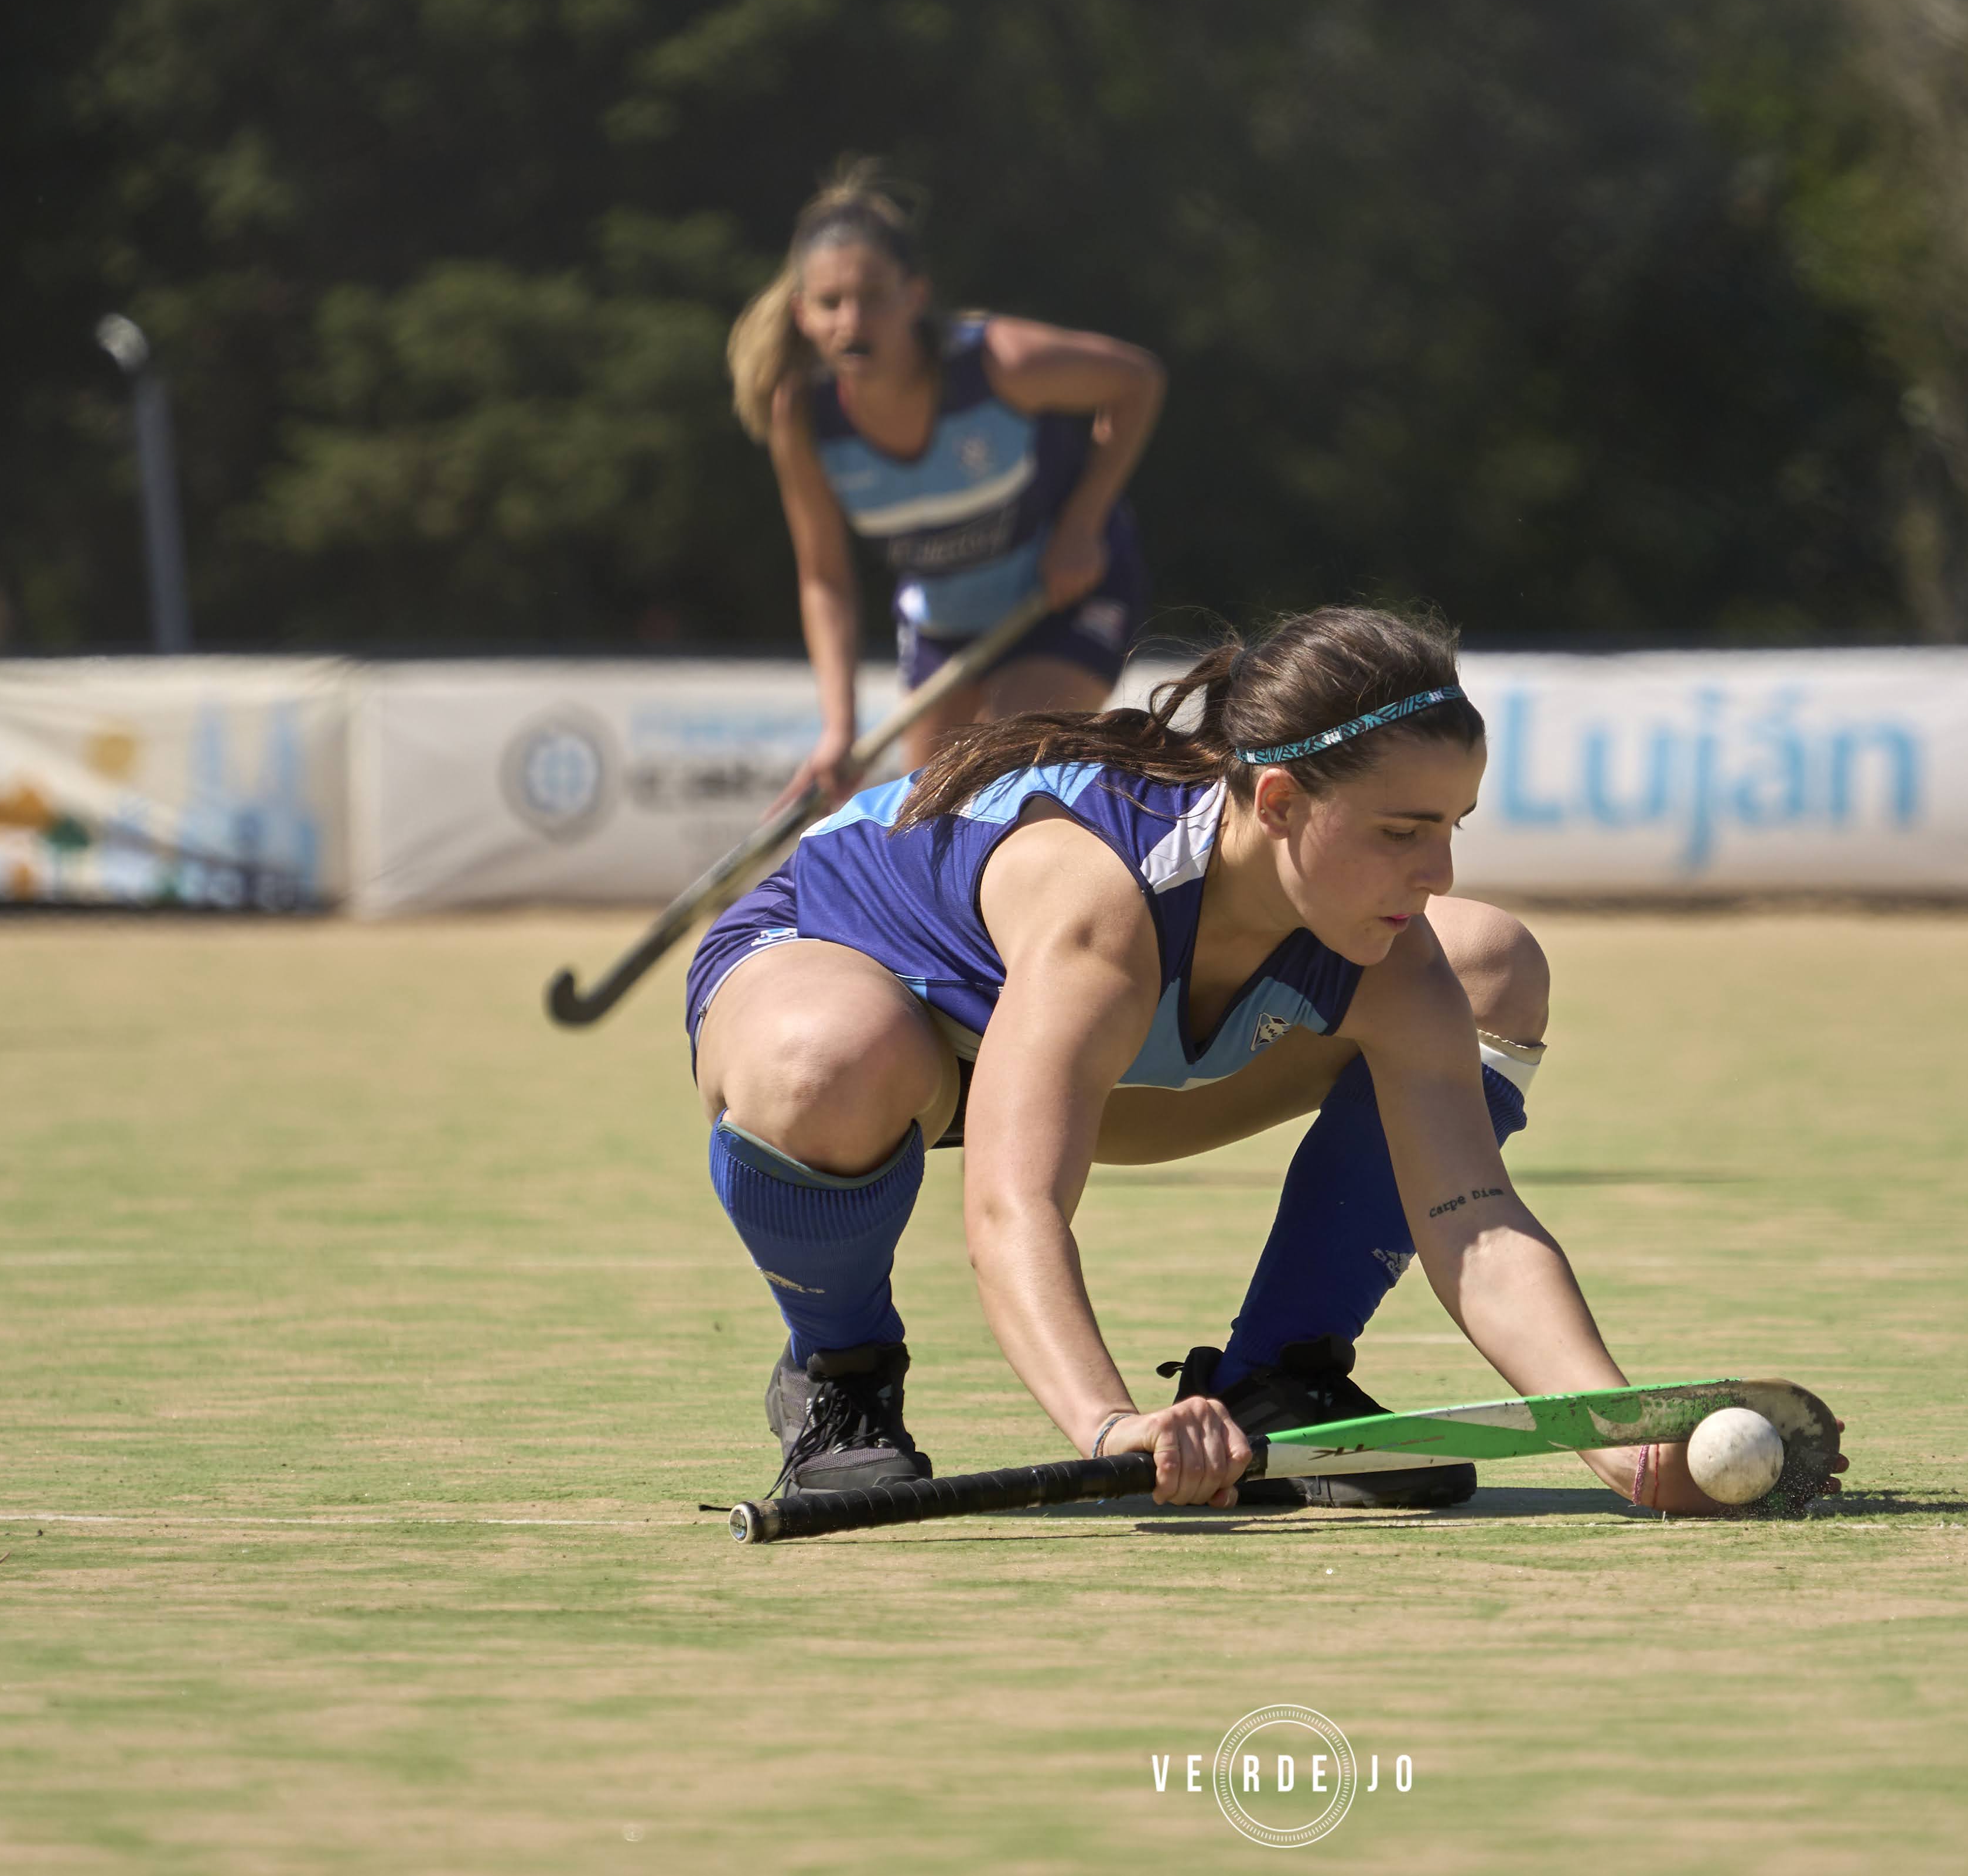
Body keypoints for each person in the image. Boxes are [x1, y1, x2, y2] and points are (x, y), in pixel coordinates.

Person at [683, 604, 1844, 1513]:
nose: (1436, 870)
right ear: (1279, 799)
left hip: (1109, 1057)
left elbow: (1476, 1219)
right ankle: (840, 1375)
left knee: (1486, 958)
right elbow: (1014, 1201)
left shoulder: (1380, 945)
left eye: (1455, 825)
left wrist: (1616, 1433)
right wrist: (1107, 1422)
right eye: (1402, 831)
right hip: (874, 992)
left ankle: (1276, 1374)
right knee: (828, 1062)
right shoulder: (1098, 901)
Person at [728, 162, 1167, 809]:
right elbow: (824, 576)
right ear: (803, 314)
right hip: (946, 623)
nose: (852, 321)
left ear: (914, 294)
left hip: (1066, 595)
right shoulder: (803, 414)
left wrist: (1082, 523)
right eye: (830, 303)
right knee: (931, 819)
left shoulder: (1001, 364)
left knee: (1003, 770)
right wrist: (840, 729)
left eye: (874, 296)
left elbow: (1138, 382)